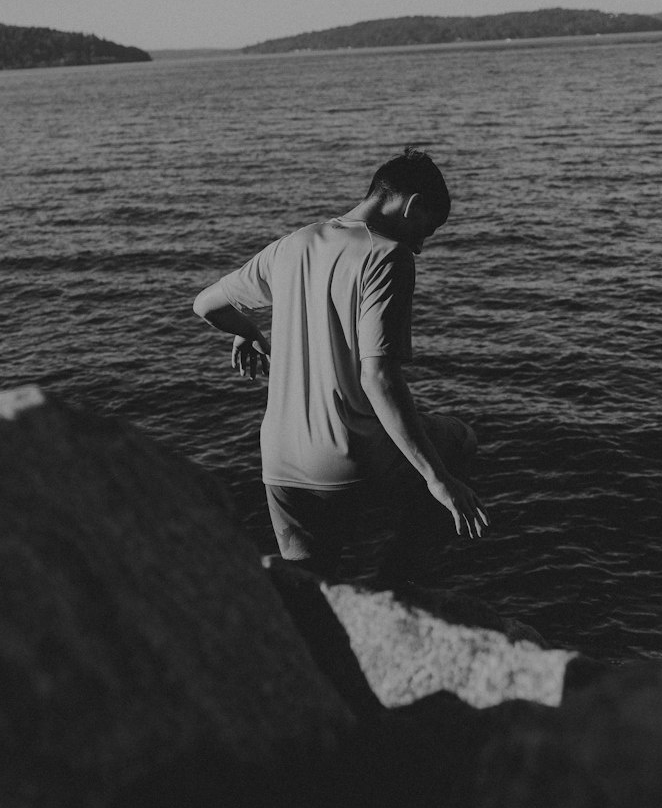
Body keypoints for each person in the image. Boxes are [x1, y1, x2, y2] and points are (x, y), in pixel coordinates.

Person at [192, 148, 487, 581]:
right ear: (410, 204)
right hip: (348, 456)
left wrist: (247, 329)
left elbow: (206, 305)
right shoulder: (387, 256)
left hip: (280, 462)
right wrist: (436, 478)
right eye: (428, 227)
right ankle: (402, 589)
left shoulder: (291, 245)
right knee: (460, 441)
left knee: (309, 585)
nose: (421, 246)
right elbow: (378, 375)